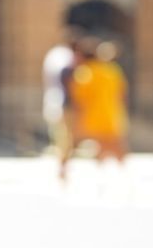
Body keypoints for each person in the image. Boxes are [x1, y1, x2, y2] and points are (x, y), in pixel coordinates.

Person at [59, 38, 129, 178]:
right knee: (115, 147)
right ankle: (125, 175)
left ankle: (63, 172)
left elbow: (78, 98)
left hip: (89, 118)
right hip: (110, 116)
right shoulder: (112, 71)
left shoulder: (84, 73)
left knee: (71, 144)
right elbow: (122, 93)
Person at [42, 26, 79, 164]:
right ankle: (62, 166)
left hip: (53, 98)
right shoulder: (67, 57)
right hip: (64, 101)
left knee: (61, 137)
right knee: (65, 137)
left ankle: (62, 165)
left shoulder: (54, 54)